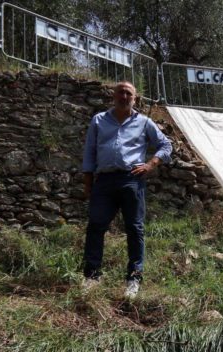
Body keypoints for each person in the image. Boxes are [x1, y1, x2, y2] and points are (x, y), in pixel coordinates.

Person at [81, 81, 172, 298]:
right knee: (95, 226)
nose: (124, 96)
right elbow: (89, 152)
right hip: (103, 181)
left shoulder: (143, 122)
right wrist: (87, 183)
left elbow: (166, 145)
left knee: (134, 229)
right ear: (113, 96)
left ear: (135, 98)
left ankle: (133, 279)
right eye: (120, 92)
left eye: (128, 93)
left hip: (132, 179)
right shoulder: (99, 120)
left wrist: (150, 164)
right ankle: (92, 276)